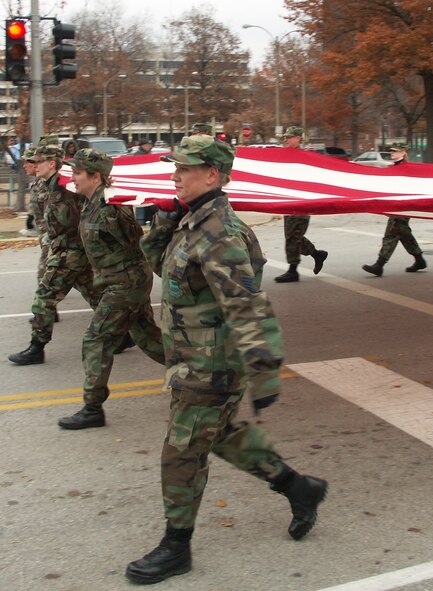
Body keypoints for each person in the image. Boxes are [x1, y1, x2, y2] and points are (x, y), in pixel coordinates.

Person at [128, 135, 328, 584]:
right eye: (174, 167)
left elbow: (246, 305)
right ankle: (301, 488)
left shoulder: (221, 234)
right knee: (219, 436)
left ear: (212, 174)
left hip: (212, 366)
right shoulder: (193, 221)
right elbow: (169, 272)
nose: (174, 175)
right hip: (190, 358)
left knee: (181, 449)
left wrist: (264, 370)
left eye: (184, 168)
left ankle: (176, 546)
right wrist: (162, 222)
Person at [56, 149, 165, 430]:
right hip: (121, 282)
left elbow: (136, 244)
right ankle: (204, 373)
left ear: (96, 176)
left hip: (126, 284)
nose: (73, 177)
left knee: (95, 339)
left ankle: (93, 408)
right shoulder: (90, 202)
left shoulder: (111, 207)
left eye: (78, 172)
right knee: (148, 339)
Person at [8, 145, 103, 366]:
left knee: (44, 296)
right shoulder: (48, 185)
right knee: (96, 297)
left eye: (37, 161)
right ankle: (126, 333)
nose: (32, 165)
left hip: (71, 252)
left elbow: (75, 220)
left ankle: (36, 348)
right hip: (67, 251)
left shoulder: (66, 187)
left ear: (51, 164)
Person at [362, 143, 427, 276]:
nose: (392, 153)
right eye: (392, 151)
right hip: (396, 206)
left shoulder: (407, 168)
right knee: (403, 233)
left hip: (404, 206)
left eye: (396, 152)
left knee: (392, 232)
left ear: (403, 153)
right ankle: (419, 259)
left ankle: (379, 264)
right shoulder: (392, 168)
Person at [274, 125, 328, 282]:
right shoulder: (285, 156)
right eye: (285, 137)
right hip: (289, 201)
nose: (286, 139)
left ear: (298, 138)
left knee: (293, 237)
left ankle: (293, 270)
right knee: (293, 236)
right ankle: (317, 254)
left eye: (289, 137)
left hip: (302, 203)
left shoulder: (305, 157)